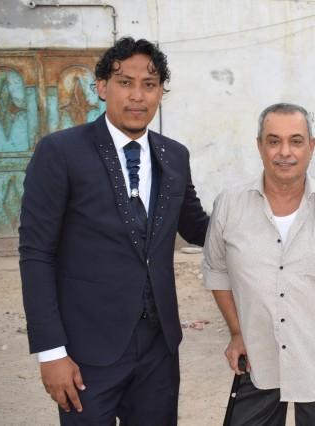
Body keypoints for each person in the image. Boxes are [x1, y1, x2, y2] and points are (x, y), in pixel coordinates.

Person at [19, 37, 210, 425]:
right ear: (102, 87)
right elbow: (36, 254)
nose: (137, 96)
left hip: (158, 349)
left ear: (161, 92)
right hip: (87, 351)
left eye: (149, 84)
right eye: (125, 82)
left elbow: (198, 228)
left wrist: (263, 214)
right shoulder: (60, 152)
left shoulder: (174, 155)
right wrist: (51, 352)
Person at [203, 103, 315, 426]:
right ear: (259, 146)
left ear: (311, 146)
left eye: (296, 141)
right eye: (274, 141)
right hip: (258, 358)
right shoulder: (229, 205)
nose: (285, 152)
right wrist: (238, 331)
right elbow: (217, 272)